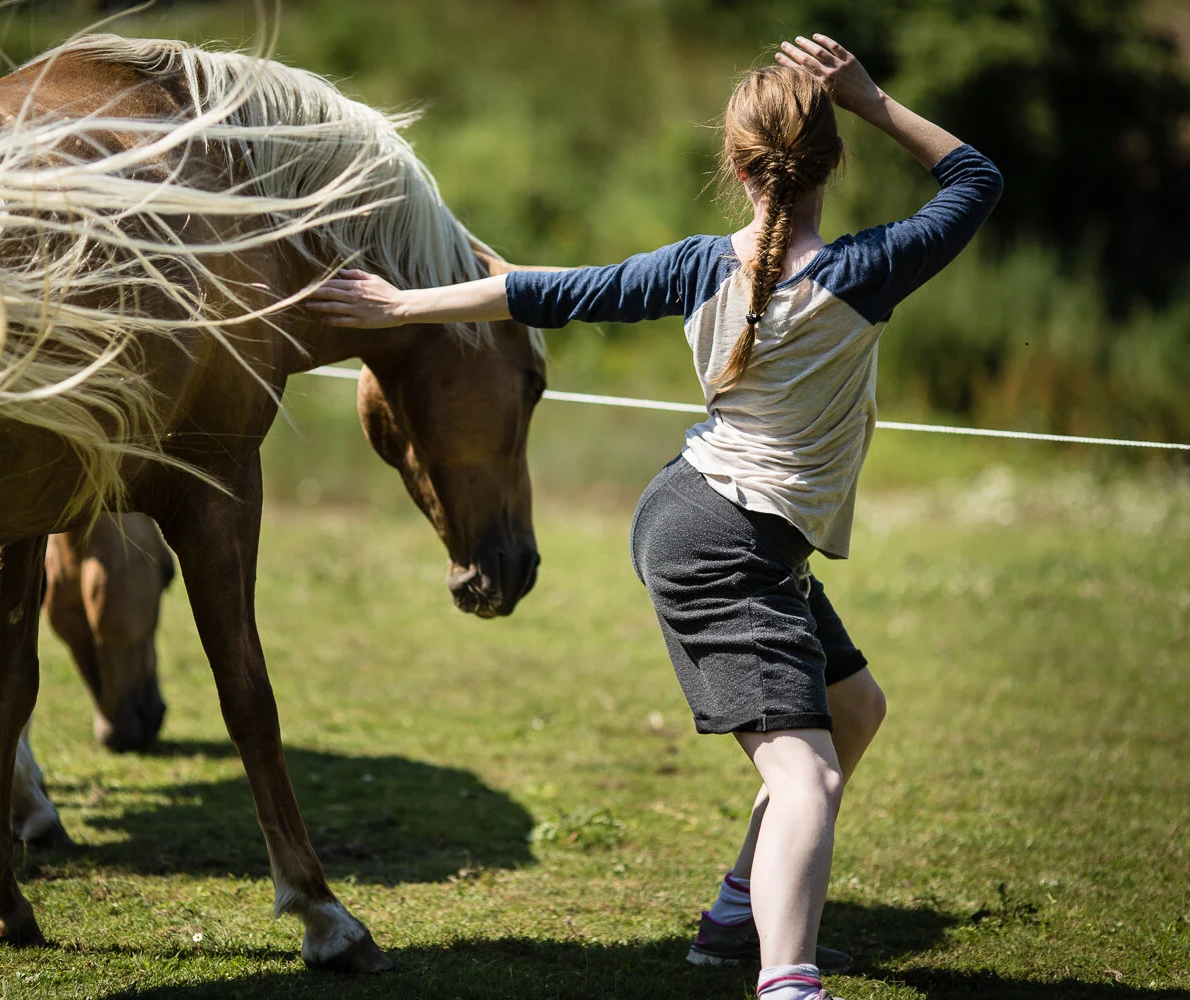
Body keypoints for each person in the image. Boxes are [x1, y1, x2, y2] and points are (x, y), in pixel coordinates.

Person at [308, 34, 1002, 1000]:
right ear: (833, 164)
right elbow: (975, 179)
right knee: (809, 780)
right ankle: (786, 981)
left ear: (735, 165)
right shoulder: (870, 269)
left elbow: (545, 291)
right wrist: (871, 98)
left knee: (854, 712)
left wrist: (401, 307)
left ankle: (734, 917)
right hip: (723, 541)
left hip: (718, 524)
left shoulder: (696, 266)